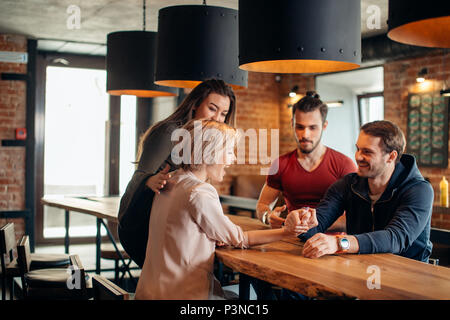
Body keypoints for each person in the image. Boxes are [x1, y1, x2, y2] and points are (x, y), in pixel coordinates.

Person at [134, 120, 307, 300]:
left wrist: (210, 238)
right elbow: (241, 238)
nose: (233, 159)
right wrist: (287, 231)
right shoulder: (200, 192)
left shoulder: (170, 181)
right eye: (230, 151)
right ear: (210, 153)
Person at [118, 79, 237, 268]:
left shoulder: (202, 139)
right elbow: (140, 175)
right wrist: (149, 179)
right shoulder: (170, 131)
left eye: (223, 113)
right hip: (140, 225)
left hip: (168, 227)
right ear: (195, 104)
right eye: (212, 108)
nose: (217, 118)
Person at [286, 120, 434, 262]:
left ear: (391, 156)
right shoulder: (347, 184)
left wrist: (339, 243)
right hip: (361, 268)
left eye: (367, 152)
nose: (358, 157)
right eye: (358, 149)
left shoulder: (419, 190)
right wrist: (300, 224)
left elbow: (395, 238)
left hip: (408, 275)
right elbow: (317, 224)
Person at [257, 91, 356, 231]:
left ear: (324, 126)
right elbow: (262, 205)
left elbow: (357, 216)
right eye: (300, 127)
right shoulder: (280, 164)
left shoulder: (344, 165)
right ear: (292, 124)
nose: (305, 135)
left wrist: (312, 226)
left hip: (332, 244)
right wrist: (267, 217)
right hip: (290, 240)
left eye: (312, 128)